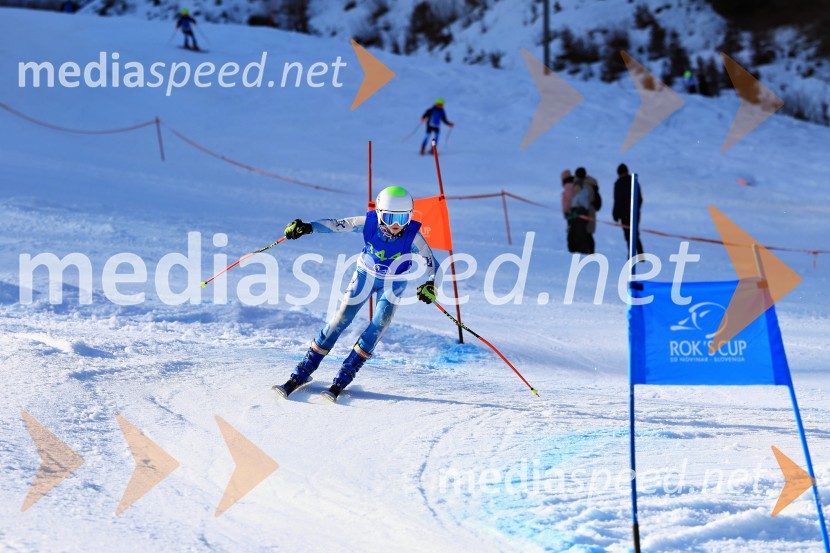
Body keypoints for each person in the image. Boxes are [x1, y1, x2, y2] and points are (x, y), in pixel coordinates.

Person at [274, 186, 438, 402]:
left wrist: (430, 284)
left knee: (380, 323)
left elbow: (431, 263)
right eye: (389, 217)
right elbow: (336, 225)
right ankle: (303, 371)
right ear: (379, 214)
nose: (396, 225)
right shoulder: (368, 223)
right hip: (365, 276)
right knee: (341, 318)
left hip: (394, 282)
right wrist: (307, 227)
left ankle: (345, 375)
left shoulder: (413, 237)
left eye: (401, 217)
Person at [612, 163, 644, 257]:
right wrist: (636, 210)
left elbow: (618, 200)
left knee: (628, 235)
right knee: (635, 233)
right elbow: (640, 199)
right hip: (634, 213)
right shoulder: (634, 181)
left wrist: (616, 214)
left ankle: (632, 255)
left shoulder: (619, 183)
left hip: (625, 214)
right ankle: (640, 255)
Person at [574, 167, 601, 254]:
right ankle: (588, 252)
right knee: (586, 233)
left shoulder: (586, 186)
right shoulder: (590, 184)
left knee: (586, 233)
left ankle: (588, 252)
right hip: (588, 211)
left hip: (586, 211)